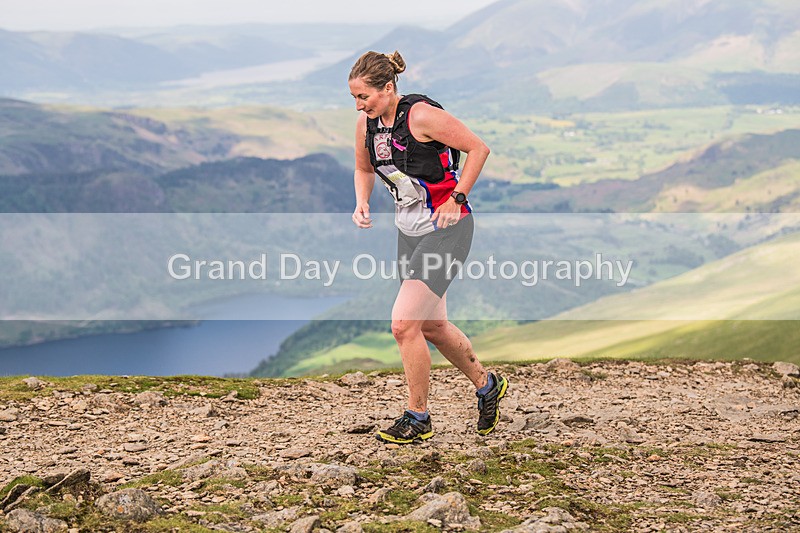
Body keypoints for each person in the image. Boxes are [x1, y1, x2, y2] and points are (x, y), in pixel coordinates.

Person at [348, 50, 508, 444]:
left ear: (388, 88)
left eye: (363, 96)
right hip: (410, 230)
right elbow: (364, 167)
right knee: (432, 326)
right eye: (353, 98)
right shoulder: (366, 124)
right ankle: (487, 386)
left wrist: (458, 197)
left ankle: (418, 417)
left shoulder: (420, 115)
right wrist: (362, 200)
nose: (358, 104)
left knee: (403, 326)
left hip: (446, 227)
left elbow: (478, 148)